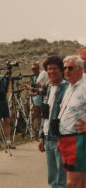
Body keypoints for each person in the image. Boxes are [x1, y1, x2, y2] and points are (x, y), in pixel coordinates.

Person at [38, 56, 68, 188]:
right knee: (52, 179)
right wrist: (41, 137)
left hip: (60, 138)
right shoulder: (49, 88)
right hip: (48, 137)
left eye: (54, 68)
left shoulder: (67, 88)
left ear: (62, 70)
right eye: (49, 69)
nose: (51, 71)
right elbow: (45, 115)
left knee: (62, 179)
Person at [57, 55, 86, 188]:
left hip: (77, 140)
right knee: (80, 182)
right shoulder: (70, 87)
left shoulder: (84, 86)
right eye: (65, 68)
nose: (66, 71)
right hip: (65, 140)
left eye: (70, 68)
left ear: (80, 69)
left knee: (73, 183)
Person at [27, 63, 43, 139]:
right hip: (34, 96)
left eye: (35, 69)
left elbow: (42, 89)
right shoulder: (33, 77)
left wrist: (31, 89)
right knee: (34, 114)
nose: (34, 70)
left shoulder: (41, 76)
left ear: (38, 69)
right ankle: (36, 130)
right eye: (32, 69)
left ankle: (38, 131)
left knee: (37, 114)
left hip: (39, 96)